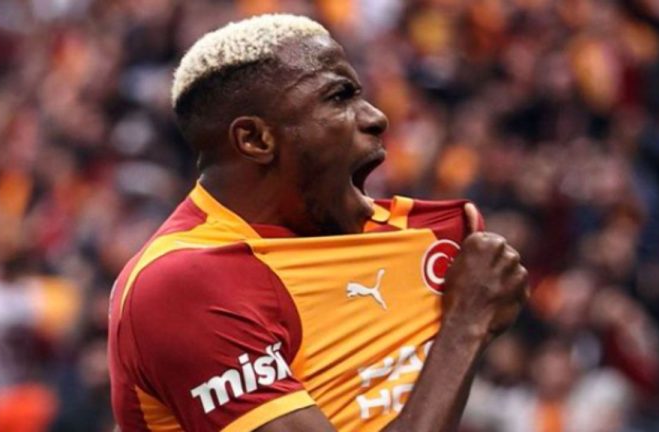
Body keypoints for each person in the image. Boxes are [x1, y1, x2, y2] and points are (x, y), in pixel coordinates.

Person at [107, 14, 528, 432]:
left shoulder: (389, 244)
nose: (376, 117)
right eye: (339, 97)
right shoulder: (181, 283)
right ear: (255, 139)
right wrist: (466, 325)